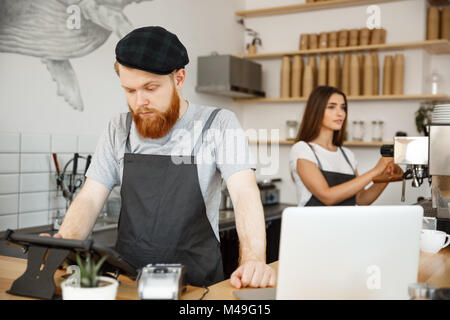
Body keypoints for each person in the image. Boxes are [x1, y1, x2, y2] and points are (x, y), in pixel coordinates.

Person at [43, 26, 276, 288]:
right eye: (129, 91)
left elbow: (244, 193)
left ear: (179, 79)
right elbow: (89, 196)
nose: (139, 101)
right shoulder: (118, 129)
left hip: (196, 286)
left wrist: (254, 260)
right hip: (130, 284)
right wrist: (63, 241)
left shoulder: (218, 124)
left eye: (150, 88)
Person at [289, 86, 395, 207]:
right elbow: (327, 197)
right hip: (315, 225)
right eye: (331, 107)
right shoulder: (302, 149)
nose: (340, 113)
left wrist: (386, 176)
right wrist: (376, 171)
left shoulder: (347, 154)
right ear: (316, 111)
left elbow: (361, 199)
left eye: (343, 108)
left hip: (346, 225)